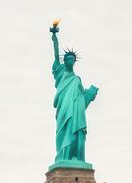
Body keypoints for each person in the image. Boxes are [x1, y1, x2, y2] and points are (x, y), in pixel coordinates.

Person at [49, 23, 98, 165]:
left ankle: (76, 158)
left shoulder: (77, 80)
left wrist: (90, 94)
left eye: (72, 59)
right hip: (64, 107)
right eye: (67, 58)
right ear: (65, 61)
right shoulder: (61, 72)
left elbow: (82, 98)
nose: (70, 60)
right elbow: (56, 54)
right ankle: (63, 157)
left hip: (76, 110)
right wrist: (54, 38)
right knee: (64, 130)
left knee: (77, 131)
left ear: (74, 62)